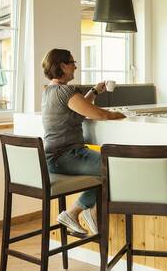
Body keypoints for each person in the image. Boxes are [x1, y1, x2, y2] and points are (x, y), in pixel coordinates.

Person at [41, 48, 125, 235]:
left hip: (53, 159)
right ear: (63, 66)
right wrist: (120, 115)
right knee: (114, 167)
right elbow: (100, 114)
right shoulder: (66, 91)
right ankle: (80, 212)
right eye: (73, 63)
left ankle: (85, 213)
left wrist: (94, 91)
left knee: (106, 169)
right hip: (67, 156)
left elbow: (79, 108)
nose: (75, 67)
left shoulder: (49, 91)